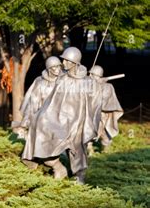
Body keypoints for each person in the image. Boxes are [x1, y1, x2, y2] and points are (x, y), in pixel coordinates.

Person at [22, 47, 98, 184]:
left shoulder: (87, 82)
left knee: (77, 149)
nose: (63, 62)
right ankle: (58, 167)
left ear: (75, 62)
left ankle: (79, 175)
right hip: (60, 120)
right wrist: (40, 116)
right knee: (43, 137)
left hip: (78, 121)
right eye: (63, 59)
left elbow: (94, 105)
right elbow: (52, 101)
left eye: (66, 60)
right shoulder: (62, 79)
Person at [18, 56, 62, 169]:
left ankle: (58, 166)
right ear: (48, 69)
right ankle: (38, 162)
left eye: (58, 66)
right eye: (53, 67)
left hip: (61, 119)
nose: (57, 69)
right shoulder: (40, 82)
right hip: (43, 120)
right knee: (37, 142)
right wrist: (26, 121)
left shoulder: (65, 81)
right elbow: (33, 102)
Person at [88, 65, 123, 154]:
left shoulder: (108, 87)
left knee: (104, 136)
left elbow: (103, 102)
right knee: (88, 136)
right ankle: (90, 154)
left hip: (102, 116)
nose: (90, 77)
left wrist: (100, 86)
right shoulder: (87, 85)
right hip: (88, 116)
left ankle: (106, 155)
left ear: (99, 76)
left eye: (93, 75)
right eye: (90, 74)